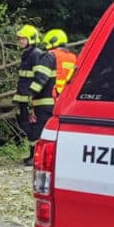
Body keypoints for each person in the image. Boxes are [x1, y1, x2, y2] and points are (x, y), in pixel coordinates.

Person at [13, 25, 56, 166]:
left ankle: (35, 156)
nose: (20, 41)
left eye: (23, 39)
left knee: (34, 128)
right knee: (26, 126)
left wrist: (31, 96)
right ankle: (32, 154)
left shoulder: (36, 55)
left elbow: (40, 78)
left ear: (31, 39)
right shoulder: (27, 55)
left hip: (34, 100)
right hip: (26, 99)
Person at [42, 28, 77, 98]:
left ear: (53, 41)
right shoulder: (73, 57)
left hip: (53, 94)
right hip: (69, 94)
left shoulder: (51, 54)